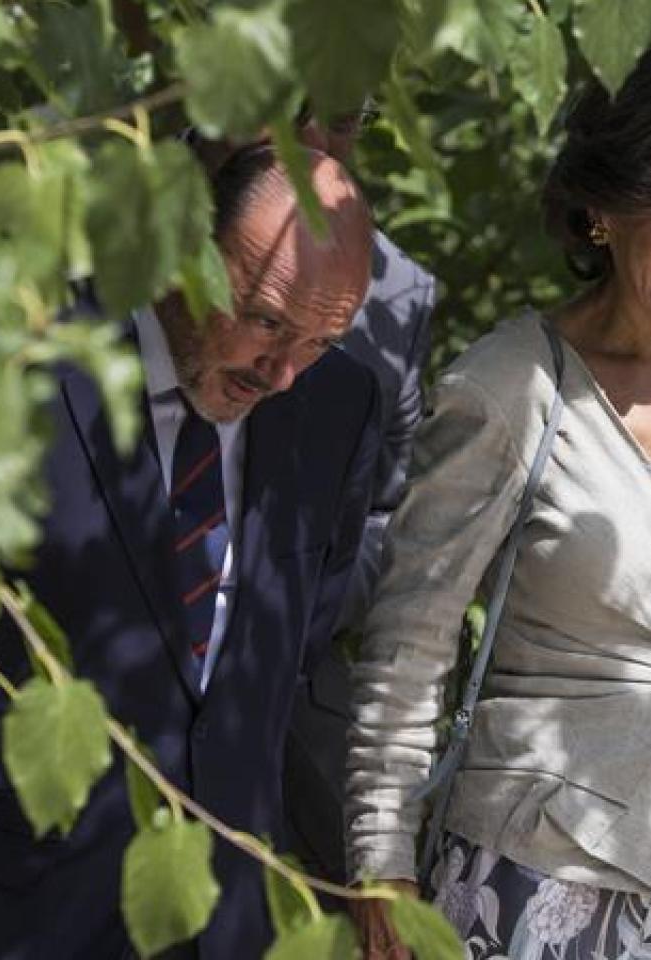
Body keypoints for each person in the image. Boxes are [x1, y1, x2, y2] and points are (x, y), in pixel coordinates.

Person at [0, 145, 383, 959]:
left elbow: (288, 651)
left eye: (321, 339)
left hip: (217, 918)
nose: (282, 372)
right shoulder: (12, 359)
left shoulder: (340, 406)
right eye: (265, 320)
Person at [346, 45, 651, 959]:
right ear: (602, 215)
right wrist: (380, 858)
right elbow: (411, 643)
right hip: (536, 871)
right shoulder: (507, 385)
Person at [278, 101, 442, 883]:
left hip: (298, 715)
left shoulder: (396, 292)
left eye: (342, 123)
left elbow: (390, 516)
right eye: (290, 110)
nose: (314, 144)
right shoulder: (104, 223)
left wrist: (290, 597)